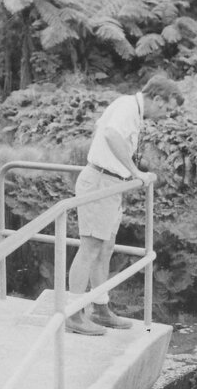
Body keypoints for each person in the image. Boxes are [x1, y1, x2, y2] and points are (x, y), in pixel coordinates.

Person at [66, 74, 184, 335]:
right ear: (157, 99)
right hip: (100, 182)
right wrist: (135, 171)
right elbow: (110, 134)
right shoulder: (128, 107)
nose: (165, 115)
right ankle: (73, 315)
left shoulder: (129, 109)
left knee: (105, 248)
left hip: (110, 184)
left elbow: (101, 127)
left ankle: (100, 308)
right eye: (166, 108)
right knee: (90, 248)